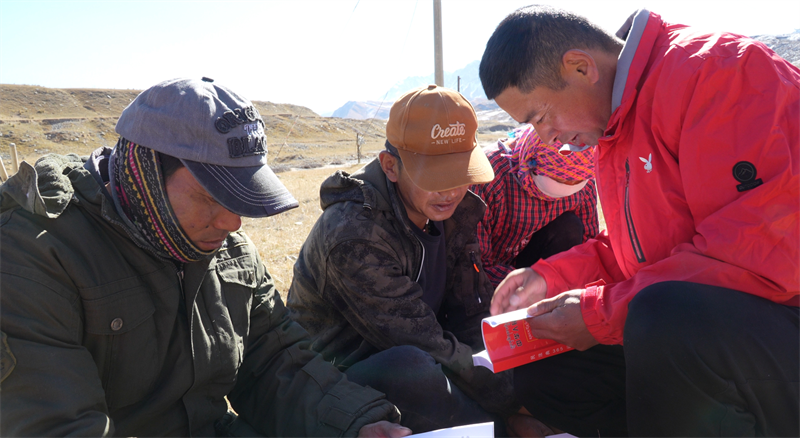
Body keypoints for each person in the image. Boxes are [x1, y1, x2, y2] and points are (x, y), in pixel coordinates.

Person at [0, 77, 412, 438]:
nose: (233, 222)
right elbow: (57, 425)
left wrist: (355, 424)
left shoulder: (227, 250)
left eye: (239, 197)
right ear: (145, 174)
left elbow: (274, 360)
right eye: (212, 197)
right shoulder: (35, 255)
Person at [479, 5, 800, 438]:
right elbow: (643, 251)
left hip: (783, 313)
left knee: (663, 318)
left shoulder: (719, 73)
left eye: (539, 117)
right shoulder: (618, 123)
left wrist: (598, 313)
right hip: (730, 328)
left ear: (580, 67)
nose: (545, 139)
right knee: (549, 374)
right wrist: (550, 278)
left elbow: (759, 252)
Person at [287, 85, 550, 438]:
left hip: (423, 358)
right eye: (435, 177)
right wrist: (511, 407)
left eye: (459, 172)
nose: (451, 190)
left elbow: (471, 315)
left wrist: (516, 391)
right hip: (334, 384)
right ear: (390, 167)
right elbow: (421, 341)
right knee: (410, 369)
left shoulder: (454, 213)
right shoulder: (354, 234)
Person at [472, 123, 599, 288]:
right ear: (531, 165)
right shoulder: (489, 175)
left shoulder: (582, 171)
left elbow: (588, 246)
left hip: (539, 269)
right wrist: (523, 288)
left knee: (570, 226)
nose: (570, 184)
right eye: (559, 179)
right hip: (492, 273)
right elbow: (475, 263)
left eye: (576, 182)